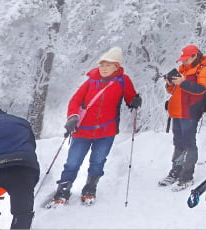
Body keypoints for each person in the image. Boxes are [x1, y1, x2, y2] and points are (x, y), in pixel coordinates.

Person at [51, 47, 140, 206]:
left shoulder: (122, 80)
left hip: (106, 132)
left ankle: (90, 188)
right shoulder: (91, 81)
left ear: (116, 67)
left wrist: (135, 100)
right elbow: (75, 101)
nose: (103, 68)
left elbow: (130, 97)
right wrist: (72, 117)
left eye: (108, 65)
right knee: (73, 162)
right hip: (82, 131)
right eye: (102, 65)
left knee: (98, 161)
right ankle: (63, 191)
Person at [160, 44, 206, 190]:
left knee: (189, 143)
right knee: (178, 142)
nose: (183, 62)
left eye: (186, 59)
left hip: (190, 111)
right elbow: (174, 91)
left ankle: (187, 175)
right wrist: (170, 84)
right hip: (177, 112)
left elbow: (201, 89)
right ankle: (176, 171)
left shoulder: (205, 69)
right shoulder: (183, 69)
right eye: (182, 60)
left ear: (195, 56)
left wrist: (183, 82)